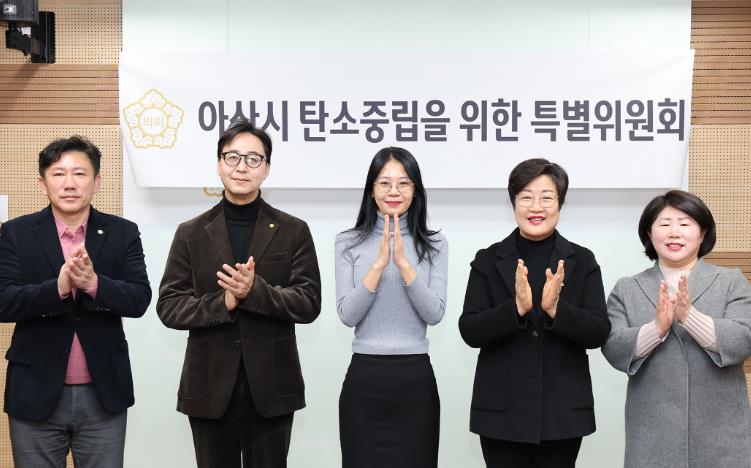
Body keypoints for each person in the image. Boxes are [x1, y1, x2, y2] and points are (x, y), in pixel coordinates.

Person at [157, 119, 321, 468]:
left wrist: (254, 291)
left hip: (272, 387)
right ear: (219, 165)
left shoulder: (293, 230)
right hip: (209, 387)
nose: (242, 167)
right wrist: (226, 301)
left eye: (253, 159)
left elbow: (308, 302)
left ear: (267, 168)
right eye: (232, 157)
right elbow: (169, 306)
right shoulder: (190, 232)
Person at [0, 136, 151, 468]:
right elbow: (4, 302)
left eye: (80, 173)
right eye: (58, 174)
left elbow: (139, 298)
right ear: (43, 184)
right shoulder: (15, 233)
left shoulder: (123, 232)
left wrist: (94, 284)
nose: (69, 183)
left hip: (103, 393)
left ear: (96, 182)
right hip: (35, 391)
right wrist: (58, 288)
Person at [458, 158, 610, 468]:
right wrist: (516, 309)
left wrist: (556, 310)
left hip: (562, 412)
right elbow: (470, 329)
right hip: (502, 413)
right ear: (513, 202)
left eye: (546, 197)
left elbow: (598, 331)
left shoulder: (582, 260)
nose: (536, 206)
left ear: (560, 203)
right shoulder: (488, 259)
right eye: (526, 197)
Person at [602, 190, 751, 468]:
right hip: (652, 431)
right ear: (649, 234)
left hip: (721, 430)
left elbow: (744, 339)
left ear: (703, 233)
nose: (674, 233)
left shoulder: (731, 281)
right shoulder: (627, 288)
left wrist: (690, 318)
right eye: (664, 224)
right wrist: (656, 329)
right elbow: (613, 347)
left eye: (684, 224)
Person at [335, 146, 448, 468]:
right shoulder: (348, 242)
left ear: (416, 190)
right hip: (364, 381)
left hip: (415, 382)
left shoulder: (435, 244)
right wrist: (379, 265)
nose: (394, 191)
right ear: (371, 190)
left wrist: (404, 264)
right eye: (384, 183)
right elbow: (347, 315)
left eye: (404, 183)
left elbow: (434, 314)